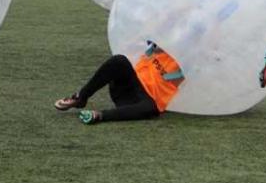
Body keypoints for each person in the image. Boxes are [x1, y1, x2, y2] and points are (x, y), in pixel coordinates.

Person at [54, 41, 184, 124]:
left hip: (144, 101)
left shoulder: (187, 65)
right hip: (127, 87)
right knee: (119, 61)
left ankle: (100, 116)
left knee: (150, 109)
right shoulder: (158, 43)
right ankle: (80, 97)